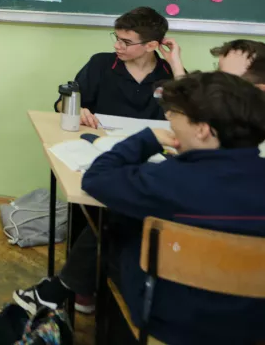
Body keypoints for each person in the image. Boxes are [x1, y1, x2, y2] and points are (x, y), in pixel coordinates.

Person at [82, 72, 265, 345]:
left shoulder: (167, 180)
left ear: (202, 129)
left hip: (170, 325)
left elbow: (96, 178)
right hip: (254, 328)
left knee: (117, 225)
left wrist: (146, 139)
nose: (169, 119)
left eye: (175, 114)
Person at [16, 6, 174, 314]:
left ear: (152, 45)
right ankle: (82, 287)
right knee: (89, 203)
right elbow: (62, 103)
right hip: (100, 149)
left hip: (148, 158)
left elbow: (190, 113)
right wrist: (77, 109)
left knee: (119, 211)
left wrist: (177, 62)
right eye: (117, 37)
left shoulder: (168, 75)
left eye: (126, 41)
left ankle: (83, 284)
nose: (118, 45)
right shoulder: (102, 63)